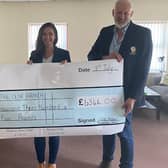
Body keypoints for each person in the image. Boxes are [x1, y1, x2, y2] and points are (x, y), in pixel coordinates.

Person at [87, 0, 152, 168]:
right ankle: (107, 158)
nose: (121, 16)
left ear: (131, 14)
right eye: (118, 12)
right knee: (107, 127)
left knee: (124, 131)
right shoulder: (105, 32)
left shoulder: (143, 34)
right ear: (113, 12)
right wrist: (105, 57)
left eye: (125, 13)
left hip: (127, 93)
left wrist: (133, 97)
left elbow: (143, 69)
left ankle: (126, 164)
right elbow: (91, 56)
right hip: (105, 91)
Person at [28, 22, 71, 168]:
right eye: (44, 34)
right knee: (38, 131)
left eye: (50, 34)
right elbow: (30, 77)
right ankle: (41, 163)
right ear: (41, 36)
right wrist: (27, 68)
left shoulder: (64, 54)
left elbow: (69, 78)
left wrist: (67, 68)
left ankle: (52, 163)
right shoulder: (34, 54)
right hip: (39, 98)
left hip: (56, 98)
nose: (47, 37)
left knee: (54, 131)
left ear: (55, 36)